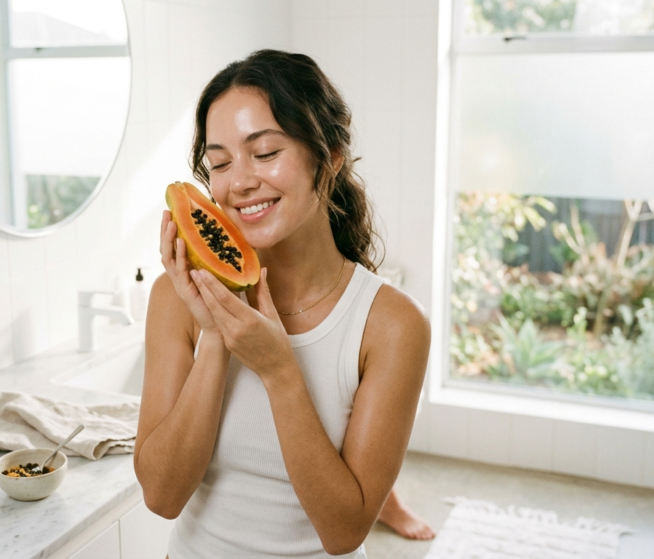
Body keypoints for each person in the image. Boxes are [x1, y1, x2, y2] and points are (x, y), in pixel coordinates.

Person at [134, 49, 431, 558]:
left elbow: (343, 532)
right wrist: (215, 336)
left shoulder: (392, 324)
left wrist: (279, 370)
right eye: (220, 163)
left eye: (266, 152)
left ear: (330, 155)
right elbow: (161, 497)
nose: (239, 182)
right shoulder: (176, 296)